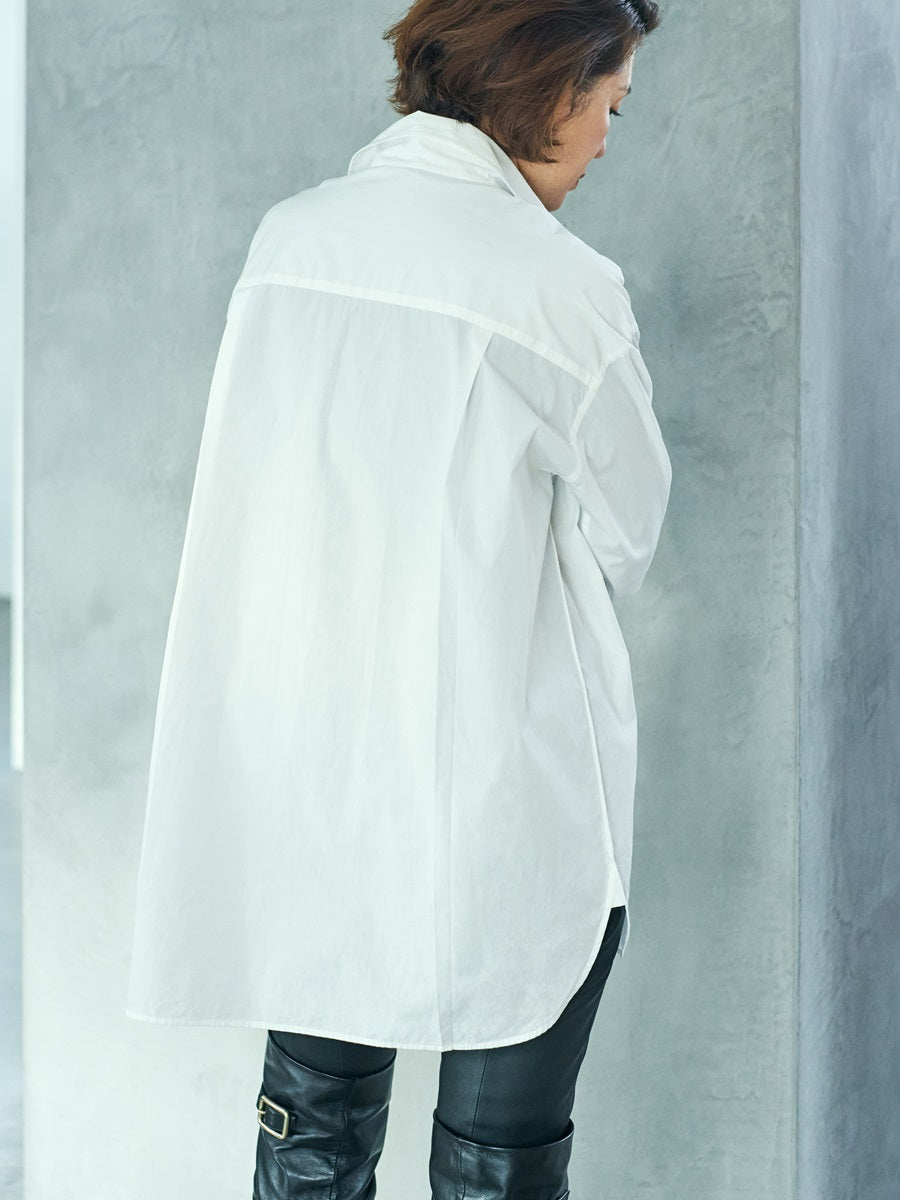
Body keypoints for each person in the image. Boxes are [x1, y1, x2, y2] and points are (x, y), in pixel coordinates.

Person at [125, 1, 671, 1197]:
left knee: (311, 1137)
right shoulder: (560, 285)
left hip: (311, 773)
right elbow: (629, 534)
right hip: (508, 789)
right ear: (552, 88)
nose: (605, 139)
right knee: (496, 1157)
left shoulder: (290, 242)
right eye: (611, 105)